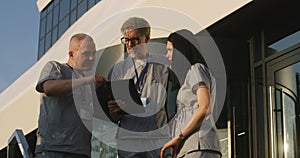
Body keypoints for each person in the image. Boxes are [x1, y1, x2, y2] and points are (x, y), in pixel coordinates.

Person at [107, 17, 179, 158]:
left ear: (147, 38)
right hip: (129, 141)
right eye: (126, 40)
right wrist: (114, 111)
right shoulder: (118, 70)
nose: (130, 45)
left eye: (135, 39)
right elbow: (112, 116)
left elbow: (186, 90)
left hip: (157, 139)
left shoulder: (163, 63)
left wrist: (174, 121)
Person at [35, 33, 106, 158]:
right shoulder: (56, 67)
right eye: (86, 53)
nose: (91, 58)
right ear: (71, 54)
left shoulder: (89, 84)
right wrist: (86, 80)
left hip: (81, 152)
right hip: (54, 150)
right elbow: (48, 88)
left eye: (93, 53)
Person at [160, 29, 222, 158]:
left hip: (197, 146)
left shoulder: (196, 69)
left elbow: (204, 107)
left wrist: (180, 136)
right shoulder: (192, 75)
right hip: (192, 147)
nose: (167, 55)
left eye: (170, 50)